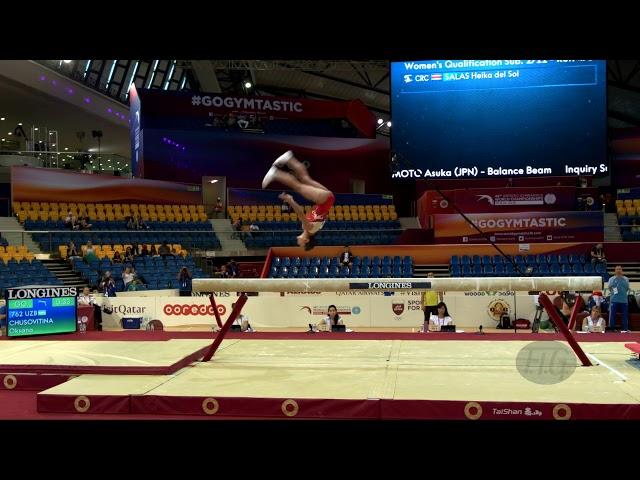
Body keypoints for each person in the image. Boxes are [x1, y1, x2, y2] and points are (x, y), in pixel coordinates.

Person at [262, 150, 335, 251]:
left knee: (305, 179)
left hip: (327, 199)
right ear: (306, 241)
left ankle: (289, 158)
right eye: (300, 244)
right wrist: (290, 200)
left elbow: (311, 213)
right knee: (298, 186)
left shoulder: (309, 229)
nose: (298, 243)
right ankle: (276, 173)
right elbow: (300, 212)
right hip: (325, 200)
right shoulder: (310, 229)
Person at [608, 265, 630, 332]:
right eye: (617, 269)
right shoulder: (611, 279)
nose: (618, 270)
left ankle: (625, 328)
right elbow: (609, 288)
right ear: (615, 271)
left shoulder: (626, 279)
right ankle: (612, 328)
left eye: (620, 269)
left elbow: (626, 289)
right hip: (614, 300)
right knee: (612, 315)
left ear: (622, 271)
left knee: (625, 315)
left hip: (623, 300)